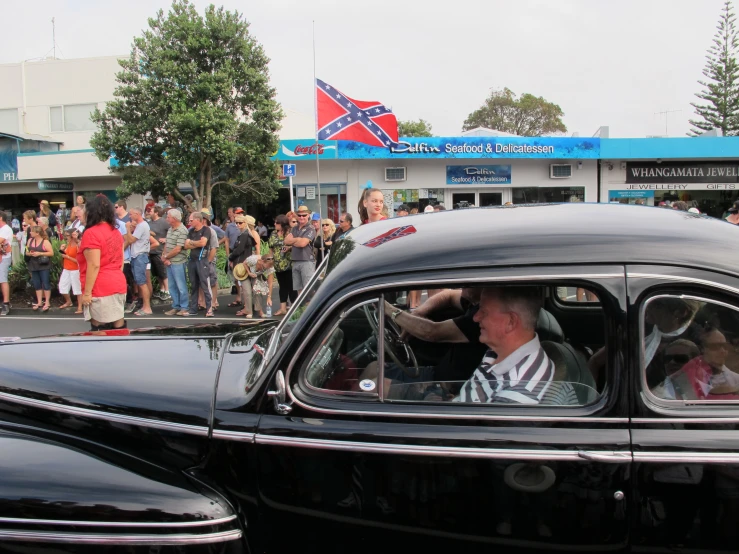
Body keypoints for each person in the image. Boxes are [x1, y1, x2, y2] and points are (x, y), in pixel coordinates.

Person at [453, 287, 554, 403]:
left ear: (511, 322)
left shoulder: (516, 394)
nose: (476, 318)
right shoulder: (501, 350)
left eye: (484, 311)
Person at [384, 288, 487, 385]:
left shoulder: (479, 319)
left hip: (444, 386)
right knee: (374, 368)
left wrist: (389, 309)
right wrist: (418, 312)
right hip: (439, 372)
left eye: (468, 282)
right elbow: (448, 295)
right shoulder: (474, 302)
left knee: (375, 380)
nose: (462, 285)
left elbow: (431, 332)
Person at [77, 195, 127, 331]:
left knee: (99, 330)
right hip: (117, 281)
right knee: (118, 327)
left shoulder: (91, 233)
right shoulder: (115, 231)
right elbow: (121, 260)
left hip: (100, 285)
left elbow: (94, 265)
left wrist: (87, 293)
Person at [184, 211, 214, 317]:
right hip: (192, 260)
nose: (190, 222)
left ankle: (209, 308)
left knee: (205, 284)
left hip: (202, 260)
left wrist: (192, 243)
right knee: (193, 285)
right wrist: (195, 243)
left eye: (191, 220)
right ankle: (193, 309)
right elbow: (186, 245)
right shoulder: (191, 231)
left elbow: (203, 243)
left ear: (198, 220)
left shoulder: (206, 230)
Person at [124, 208, 153, 316]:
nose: (130, 216)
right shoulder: (140, 226)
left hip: (140, 256)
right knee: (140, 282)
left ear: (137, 214)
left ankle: (147, 307)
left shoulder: (142, 226)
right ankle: (145, 306)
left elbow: (131, 240)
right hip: (137, 256)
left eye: (131, 214)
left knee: (142, 282)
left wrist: (127, 229)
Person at [162, 209, 190, 316]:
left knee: (181, 285)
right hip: (169, 261)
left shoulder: (182, 230)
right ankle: (176, 306)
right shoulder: (170, 229)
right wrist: (164, 256)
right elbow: (167, 243)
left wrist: (166, 257)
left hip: (178, 262)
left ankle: (184, 307)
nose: (167, 219)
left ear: (174, 219)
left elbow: (178, 249)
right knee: (172, 286)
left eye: (168, 217)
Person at [284, 205, 316, 296]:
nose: (301, 217)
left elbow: (303, 244)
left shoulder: (311, 228)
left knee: (308, 289)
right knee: (299, 289)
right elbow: (286, 241)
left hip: (307, 260)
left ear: (308, 215)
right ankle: (302, 309)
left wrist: (293, 241)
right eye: (300, 215)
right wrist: (298, 239)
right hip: (296, 260)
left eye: (304, 215)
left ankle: (309, 309)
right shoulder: (294, 228)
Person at [229, 215, 257, 316]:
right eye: (236, 223)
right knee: (248, 288)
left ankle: (248, 310)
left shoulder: (245, 235)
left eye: (240, 223)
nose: (238, 225)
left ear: (245, 223)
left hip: (243, 264)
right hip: (246, 263)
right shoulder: (247, 234)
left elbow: (239, 250)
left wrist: (230, 257)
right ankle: (249, 308)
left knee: (246, 289)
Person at [268, 214, 296, 316]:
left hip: (289, 263)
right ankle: (283, 308)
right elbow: (271, 247)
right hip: (277, 264)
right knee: (282, 286)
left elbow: (295, 245)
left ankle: (294, 308)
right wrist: (270, 259)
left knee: (291, 286)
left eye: (277, 223)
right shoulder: (274, 234)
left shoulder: (290, 233)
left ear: (282, 224)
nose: (275, 224)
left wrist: (289, 248)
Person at [25, 226, 54, 312]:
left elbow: (51, 253)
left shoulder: (45, 242)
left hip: (43, 265)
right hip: (33, 265)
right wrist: (30, 254)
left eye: (32, 232)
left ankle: (47, 302)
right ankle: (39, 301)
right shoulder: (30, 240)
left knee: (45, 283)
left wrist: (40, 253)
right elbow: (26, 251)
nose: (30, 233)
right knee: (37, 284)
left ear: (37, 233)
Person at [147, 206, 170, 301]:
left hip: (160, 251)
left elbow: (172, 231)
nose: (149, 212)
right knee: (156, 273)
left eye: (151, 211)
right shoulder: (149, 223)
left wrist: (166, 239)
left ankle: (167, 291)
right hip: (150, 251)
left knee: (163, 272)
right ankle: (162, 289)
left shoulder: (164, 222)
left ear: (156, 212)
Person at [58, 229, 83, 313]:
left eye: (67, 236)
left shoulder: (77, 245)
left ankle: (80, 306)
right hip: (66, 268)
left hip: (75, 270)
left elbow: (79, 261)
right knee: (62, 286)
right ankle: (68, 301)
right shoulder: (67, 244)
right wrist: (61, 250)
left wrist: (67, 257)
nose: (66, 237)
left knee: (77, 289)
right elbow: (64, 256)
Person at [245, 254, 275, 318]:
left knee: (258, 291)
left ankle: (260, 312)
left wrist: (269, 297)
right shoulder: (253, 259)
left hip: (256, 275)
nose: (268, 268)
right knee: (248, 292)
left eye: (270, 266)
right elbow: (244, 263)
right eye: (267, 266)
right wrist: (249, 272)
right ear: (262, 261)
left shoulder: (270, 267)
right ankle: (249, 312)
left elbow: (270, 283)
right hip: (245, 273)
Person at [0, 212, 13, 316]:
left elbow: (1, 240)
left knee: (3, 279)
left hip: (3, 258)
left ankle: (6, 303)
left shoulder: (6, 229)